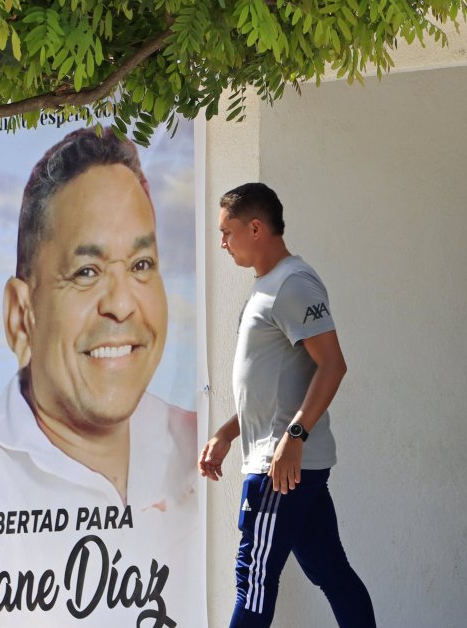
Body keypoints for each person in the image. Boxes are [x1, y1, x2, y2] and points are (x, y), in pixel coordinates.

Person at [0, 127, 199, 627]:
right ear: (20, 314)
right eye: (86, 272)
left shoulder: (196, 447)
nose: (121, 304)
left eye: (142, 264)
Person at [199, 182, 375, 628]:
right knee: (332, 573)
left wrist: (294, 436)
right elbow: (275, 386)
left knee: (254, 578)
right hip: (285, 461)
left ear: (256, 227)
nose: (222, 243)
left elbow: (332, 366)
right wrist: (227, 432)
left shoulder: (293, 284)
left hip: (280, 467)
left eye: (227, 232)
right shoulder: (268, 285)